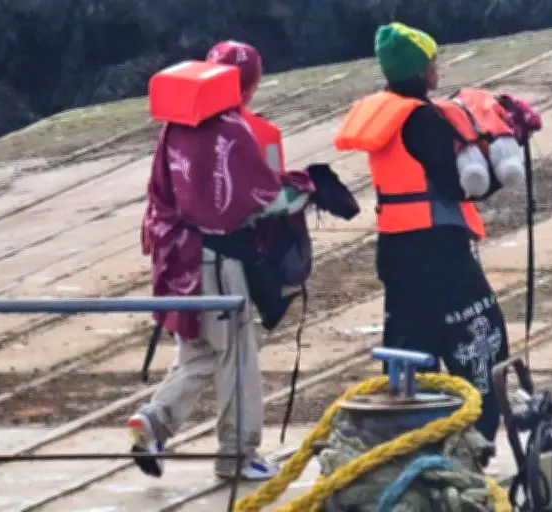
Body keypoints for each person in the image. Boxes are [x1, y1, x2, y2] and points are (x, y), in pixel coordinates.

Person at [128, 40, 312, 481]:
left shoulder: (173, 127)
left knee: (200, 348)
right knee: (236, 356)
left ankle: (154, 423)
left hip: (176, 256)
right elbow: (264, 198)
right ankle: (236, 455)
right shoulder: (233, 130)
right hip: (218, 262)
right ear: (246, 84)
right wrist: (306, 187)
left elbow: (163, 193)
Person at [333, 22, 513, 442]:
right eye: (433, 60)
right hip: (439, 251)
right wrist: (503, 169)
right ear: (421, 70)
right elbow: (457, 187)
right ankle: (478, 431)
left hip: (396, 252)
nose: (437, 67)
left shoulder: (388, 115)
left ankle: (408, 433)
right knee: (481, 335)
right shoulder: (424, 120)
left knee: (412, 344)